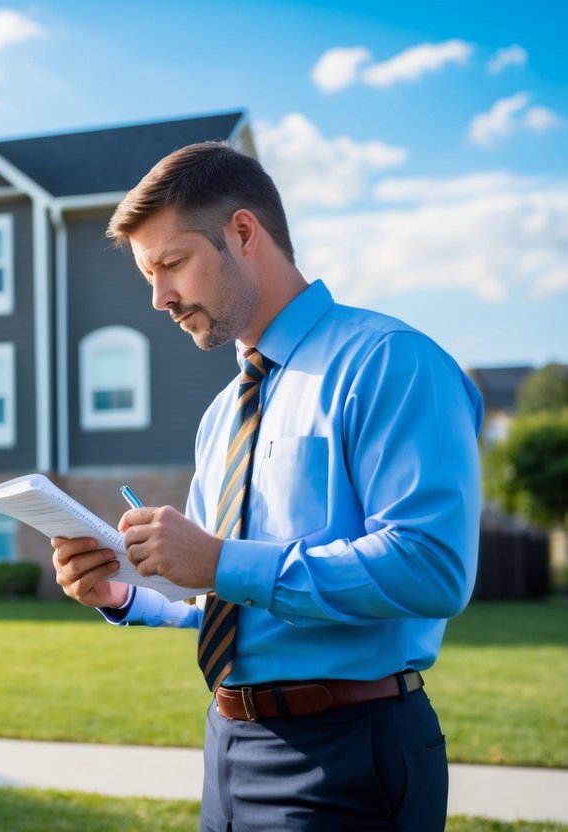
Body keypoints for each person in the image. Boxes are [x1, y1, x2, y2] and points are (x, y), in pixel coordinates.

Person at [51, 141, 482, 831]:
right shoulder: (221, 414)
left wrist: (219, 560)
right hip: (227, 746)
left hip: (348, 753)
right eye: (147, 274)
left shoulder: (390, 363)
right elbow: (229, 602)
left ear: (242, 234)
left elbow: (431, 567)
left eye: (170, 264)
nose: (158, 297)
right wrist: (125, 595)